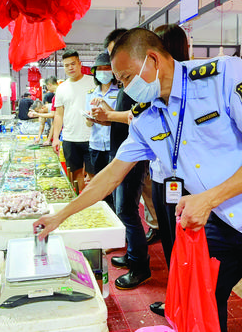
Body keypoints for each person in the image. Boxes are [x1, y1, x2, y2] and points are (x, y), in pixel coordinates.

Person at [36, 28, 242, 332]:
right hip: (226, 220)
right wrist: (60, 216)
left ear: (152, 60)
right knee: (196, 303)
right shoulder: (147, 116)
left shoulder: (223, 76)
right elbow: (110, 176)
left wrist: (209, 198)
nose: (125, 87)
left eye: (125, 78)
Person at [91, 28, 153, 290]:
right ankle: (132, 255)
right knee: (122, 209)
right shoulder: (126, 82)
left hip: (133, 156)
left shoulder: (141, 83)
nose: (115, 64)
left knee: (127, 210)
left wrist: (108, 116)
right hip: (122, 151)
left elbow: (136, 116)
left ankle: (140, 266)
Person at [146, 23, 191, 317]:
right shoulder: (154, 92)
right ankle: (176, 298)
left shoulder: (191, 88)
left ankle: (184, 300)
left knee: (183, 244)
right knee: (170, 241)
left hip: (188, 184)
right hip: (163, 178)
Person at [51, 50, 95, 193]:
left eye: (73, 64)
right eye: (66, 65)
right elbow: (59, 115)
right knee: (75, 177)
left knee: (94, 177)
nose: (70, 67)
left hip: (92, 137)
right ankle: (80, 208)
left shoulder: (93, 82)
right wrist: (56, 138)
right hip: (70, 137)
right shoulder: (61, 88)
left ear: (79, 64)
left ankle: (95, 206)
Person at [85, 51, 119, 210]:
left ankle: (115, 212)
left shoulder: (120, 92)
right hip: (96, 144)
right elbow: (88, 123)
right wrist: (89, 119)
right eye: (100, 69)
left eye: (107, 68)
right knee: (98, 181)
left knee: (114, 182)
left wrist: (105, 106)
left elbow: (119, 118)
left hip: (114, 145)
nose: (103, 72)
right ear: (95, 73)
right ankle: (103, 210)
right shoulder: (90, 94)